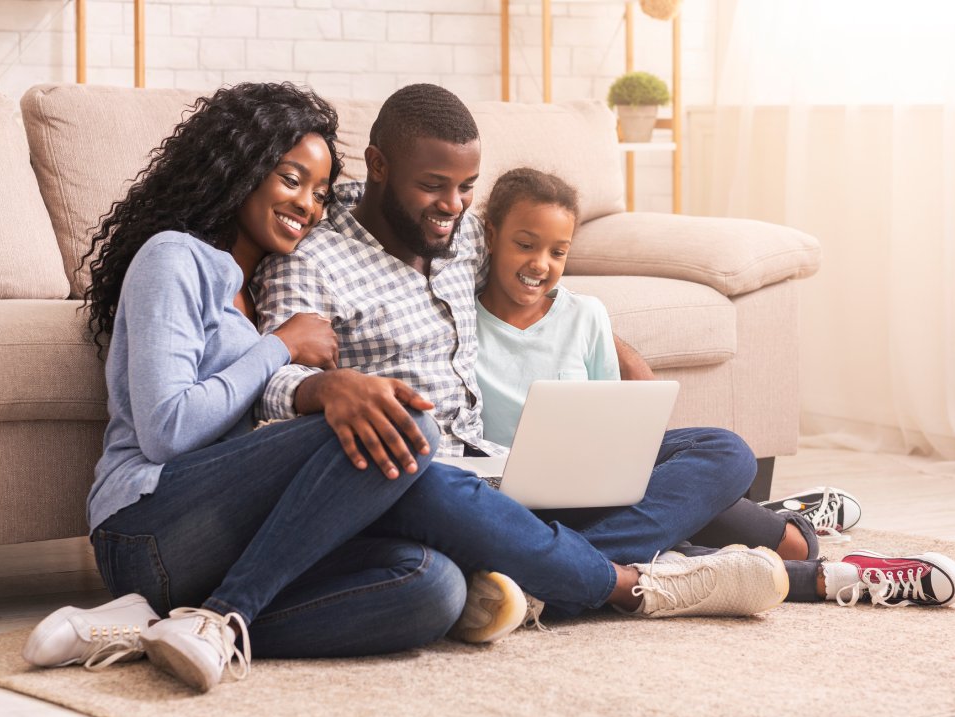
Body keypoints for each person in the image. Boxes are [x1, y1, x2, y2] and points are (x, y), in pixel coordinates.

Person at [251, 83, 806, 639]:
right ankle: (637, 578)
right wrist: (324, 387)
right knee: (451, 503)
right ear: (378, 166)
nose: (452, 206)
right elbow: (273, 381)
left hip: (500, 464)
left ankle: (532, 575)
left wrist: (623, 365)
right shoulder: (311, 261)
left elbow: (537, 282)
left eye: (467, 187)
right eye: (433, 187)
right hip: (425, 485)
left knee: (724, 452)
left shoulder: (463, 234)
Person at [22, 83, 470, 693]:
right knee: (401, 421)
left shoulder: (263, 289)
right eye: (292, 180)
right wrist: (280, 347)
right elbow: (167, 430)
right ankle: (220, 611)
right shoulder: (174, 258)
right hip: (148, 525)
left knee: (432, 585)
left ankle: (166, 626)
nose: (309, 206)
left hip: (231, 536)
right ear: (241, 169)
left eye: (319, 192)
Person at [472, 166, 955, 612]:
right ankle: (836, 572)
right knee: (697, 542)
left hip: (595, 488)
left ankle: (553, 569)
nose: (541, 263)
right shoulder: (454, 323)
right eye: (525, 244)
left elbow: (616, 421)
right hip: (516, 500)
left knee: (725, 450)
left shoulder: (585, 315)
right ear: (491, 235)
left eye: (557, 251)